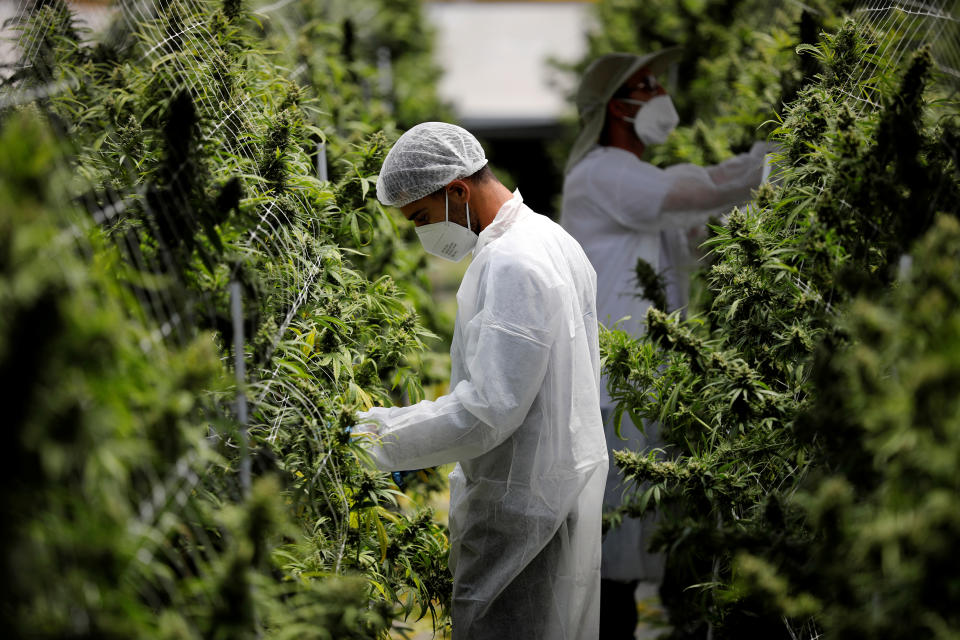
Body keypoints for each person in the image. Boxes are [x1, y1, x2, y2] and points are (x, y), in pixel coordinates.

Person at [355, 122, 608, 640]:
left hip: (518, 511)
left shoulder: (513, 262)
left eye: (423, 218)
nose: (424, 234)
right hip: (553, 491)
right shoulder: (552, 238)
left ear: (457, 191)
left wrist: (370, 436)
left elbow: (486, 410)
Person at [560, 51, 772, 637]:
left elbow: (697, 223)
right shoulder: (601, 173)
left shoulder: (635, 181)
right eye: (645, 85)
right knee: (613, 551)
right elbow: (693, 191)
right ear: (615, 108)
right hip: (618, 390)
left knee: (653, 533)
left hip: (654, 384)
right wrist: (772, 162)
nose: (659, 93)